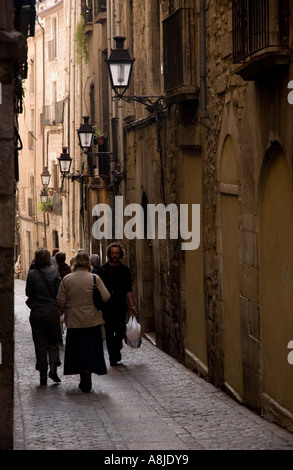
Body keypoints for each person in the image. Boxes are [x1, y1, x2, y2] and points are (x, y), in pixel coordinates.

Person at [57, 251, 110, 392]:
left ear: (74, 263)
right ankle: (89, 370)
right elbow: (106, 296)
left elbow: (60, 301)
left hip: (74, 321)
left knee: (78, 349)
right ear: (88, 263)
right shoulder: (94, 278)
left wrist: (64, 309)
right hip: (92, 319)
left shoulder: (67, 279)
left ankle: (82, 372)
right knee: (91, 349)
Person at [25, 247, 62, 385]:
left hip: (37, 312)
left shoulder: (32, 274)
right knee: (53, 341)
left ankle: (42, 375)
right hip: (51, 311)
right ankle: (53, 368)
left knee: (40, 343)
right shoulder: (54, 272)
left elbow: (28, 293)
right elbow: (59, 293)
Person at [98, 242, 137, 366]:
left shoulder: (125, 270)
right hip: (107, 306)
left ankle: (116, 349)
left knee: (121, 331)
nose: (115, 255)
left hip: (120, 306)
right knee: (109, 333)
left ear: (120, 254)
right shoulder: (102, 270)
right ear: (109, 254)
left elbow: (128, 289)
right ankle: (113, 358)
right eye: (113, 253)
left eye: (117, 253)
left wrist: (132, 306)